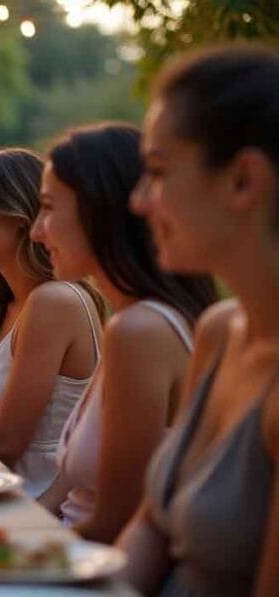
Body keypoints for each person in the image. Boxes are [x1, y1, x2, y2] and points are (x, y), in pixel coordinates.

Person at [117, 45, 279, 596]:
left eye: (158, 172)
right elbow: (151, 526)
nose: (139, 201)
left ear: (243, 181)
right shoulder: (218, 330)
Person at [29, 123, 218, 543]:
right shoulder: (131, 321)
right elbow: (72, 493)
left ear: (100, 209)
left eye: (47, 208)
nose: (36, 230)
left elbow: (115, 525)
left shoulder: (140, 331)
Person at [0, 148, 105, 499]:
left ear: (20, 212)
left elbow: (7, 441)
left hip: (37, 508)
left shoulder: (54, 301)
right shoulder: (1, 304)